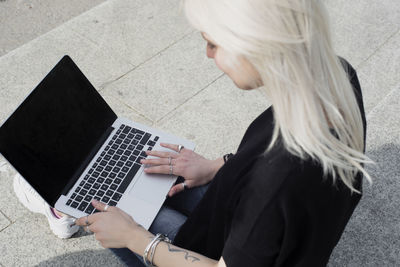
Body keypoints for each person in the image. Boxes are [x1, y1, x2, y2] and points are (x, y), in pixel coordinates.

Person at [14, 0, 373, 266]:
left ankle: (58, 203)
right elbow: (266, 162)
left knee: (112, 212)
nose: (207, 53)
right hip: (249, 222)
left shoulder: (275, 182)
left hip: (216, 252)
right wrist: (218, 166)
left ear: (254, 43)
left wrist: (137, 239)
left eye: (213, 42)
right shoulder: (337, 77)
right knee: (141, 176)